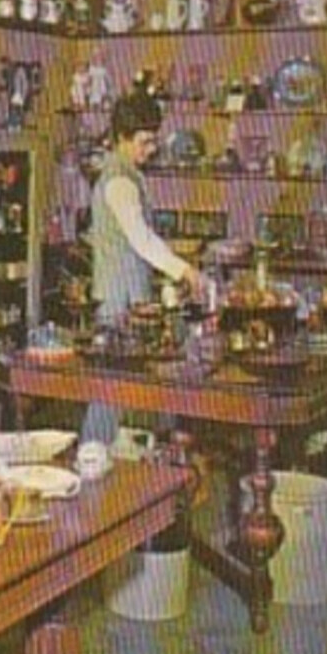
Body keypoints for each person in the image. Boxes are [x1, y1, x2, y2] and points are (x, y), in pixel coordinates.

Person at [81, 90, 204, 444]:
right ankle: (92, 453)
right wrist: (185, 271)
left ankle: (135, 456)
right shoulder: (119, 180)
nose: (151, 149)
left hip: (129, 299)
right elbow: (141, 239)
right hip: (117, 302)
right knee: (110, 390)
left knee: (126, 388)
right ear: (122, 136)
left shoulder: (127, 173)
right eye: (144, 141)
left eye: (153, 140)